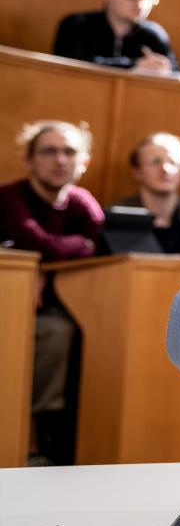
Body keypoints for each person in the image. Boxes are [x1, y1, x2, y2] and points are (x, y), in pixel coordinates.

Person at [0, 120, 102, 465]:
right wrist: (70, 249)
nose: (60, 160)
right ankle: (27, 441)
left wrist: (46, 267)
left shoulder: (82, 202)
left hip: (57, 306)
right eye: (49, 151)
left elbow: (101, 247)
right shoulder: (9, 198)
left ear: (83, 162)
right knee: (53, 333)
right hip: (10, 304)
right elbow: (42, 244)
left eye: (69, 152)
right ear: (29, 160)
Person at [52, 0, 176, 74]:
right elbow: (71, 65)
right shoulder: (76, 25)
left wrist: (164, 69)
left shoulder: (154, 35)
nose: (140, 6)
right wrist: (134, 65)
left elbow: (176, 76)